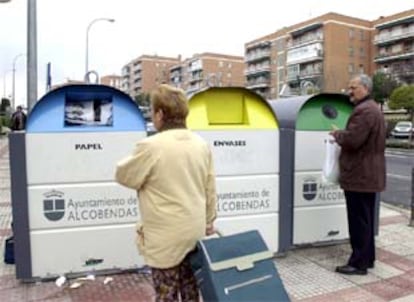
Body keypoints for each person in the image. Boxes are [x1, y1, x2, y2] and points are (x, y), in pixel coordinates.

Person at [115, 84, 217, 301]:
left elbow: (124, 175)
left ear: (160, 114)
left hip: (165, 238)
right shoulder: (201, 144)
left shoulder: (151, 146)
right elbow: (210, 188)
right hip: (194, 231)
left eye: (153, 112)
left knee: (166, 293)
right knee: (191, 290)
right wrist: (209, 222)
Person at [331, 74, 386, 275]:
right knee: (366, 220)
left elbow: (353, 140)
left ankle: (357, 264)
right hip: (368, 174)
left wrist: (337, 134)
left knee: (358, 221)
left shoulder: (364, 111)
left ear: (365, 88)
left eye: (353, 87)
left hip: (360, 175)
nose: (349, 91)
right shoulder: (373, 109)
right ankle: (367, 259)